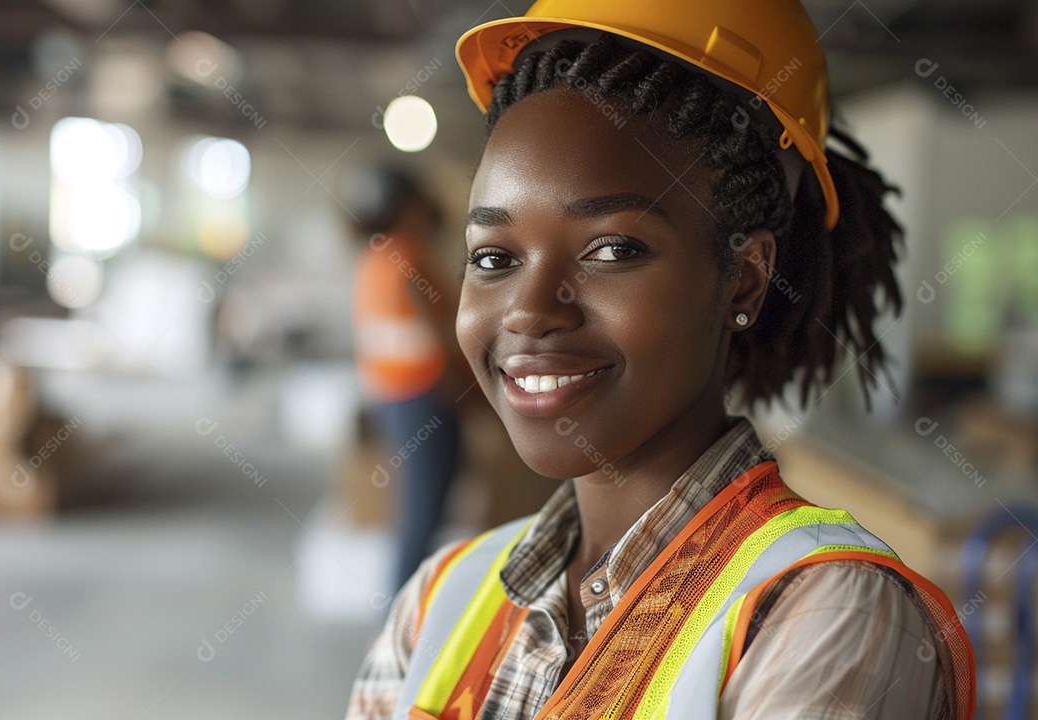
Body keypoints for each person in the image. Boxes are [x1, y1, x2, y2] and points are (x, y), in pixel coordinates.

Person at [347, 2, 975, 719]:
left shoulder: (823, 617)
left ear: (744, 276)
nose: (527, 310)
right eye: (494, 257)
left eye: (613, 250)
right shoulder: (437, 601)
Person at [350, 165, 464, 591]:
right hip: (424, 397)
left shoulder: (374, 255)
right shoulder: (409, 254)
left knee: (416, 511)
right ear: (410, 206)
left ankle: (401, 619)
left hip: (390, 397)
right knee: (424, 513)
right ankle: (402, 624)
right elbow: (444, 331)